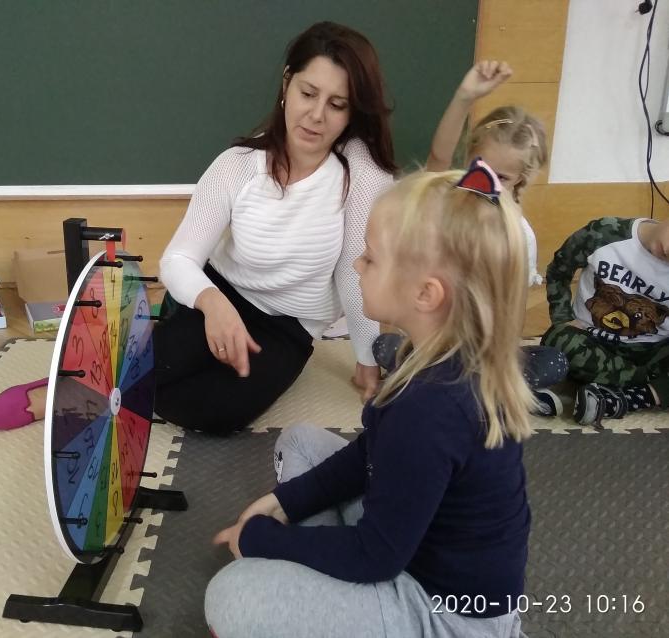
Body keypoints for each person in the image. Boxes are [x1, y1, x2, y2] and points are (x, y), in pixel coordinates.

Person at [0, 22, 397, 433]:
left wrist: (366, 357)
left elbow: (354, 269)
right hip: (220, 295)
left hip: (289, 328)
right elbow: (178, 259)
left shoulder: (360, 172)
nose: (317, 115)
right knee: (164, 362)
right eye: (308, 93)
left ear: (352, 113)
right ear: (287, 84)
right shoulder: (238, 165)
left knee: (211, 414)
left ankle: (125, 376)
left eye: (337, 104)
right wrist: (213, 303)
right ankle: (70, 389)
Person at [206, 161, 532, 638]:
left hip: (443, 613)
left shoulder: (431, 409)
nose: (357, 265)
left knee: (230, 595)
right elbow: (370, 455)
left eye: (371, 259)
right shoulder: (436, 358)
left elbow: (375, 556)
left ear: (426, 294)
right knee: (300, 441)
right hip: (413, 549)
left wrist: (265, 540)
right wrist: (283, 503)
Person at [371, 60, 568, 417]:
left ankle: (493, 392)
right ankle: (441, 384)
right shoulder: (448, 203)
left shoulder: (516, 235)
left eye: (502, 177)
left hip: (483, 352)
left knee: (552, 360)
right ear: (468, 160)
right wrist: (465, 96)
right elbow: (437, 158)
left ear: (521, 180)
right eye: (481, 167)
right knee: (386, 345)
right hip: (434, 340)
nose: (488, 181)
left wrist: (499, 367)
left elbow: (512, 312)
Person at [542, 216, 669, 428]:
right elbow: (559, 269)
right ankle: (648, 389)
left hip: (652, 353)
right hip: (593, 343)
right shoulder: (604, 233)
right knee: (558, 341)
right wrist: (562, 317)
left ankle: (626, 397)